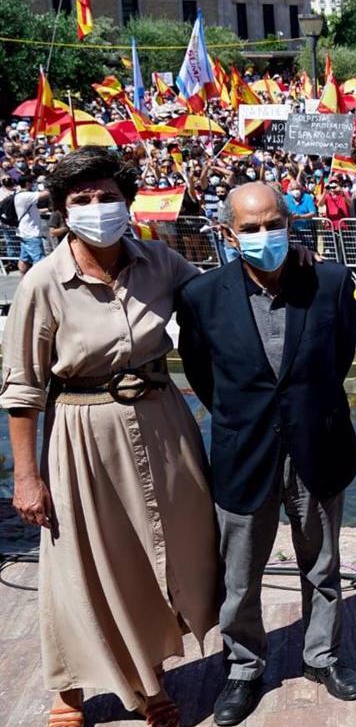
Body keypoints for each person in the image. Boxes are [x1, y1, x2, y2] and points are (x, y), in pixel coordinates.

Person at [2, 148, 218, 727]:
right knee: (79, 563)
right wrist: (27, 477)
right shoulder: (44, 283)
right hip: (81, 432)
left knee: (161, 554)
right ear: (62, 210)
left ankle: (152, 682)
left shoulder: (161, 263)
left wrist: (285, 265)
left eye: (107, 197)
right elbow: (22, 390)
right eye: (81, 200)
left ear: (127, 202)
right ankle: (68, 691)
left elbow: (215, 304)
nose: (97, 208)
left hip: (162, 421)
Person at [175, 182, 356, 725]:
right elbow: (201, 373)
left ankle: (321, 657)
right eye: (250, 228)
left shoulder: (328, 282)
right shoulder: (202, 296)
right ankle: (243, 667)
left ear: (290, 221)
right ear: (228, 233)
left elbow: (340, 356)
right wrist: (243, 418)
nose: (264, 236)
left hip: (317, 444)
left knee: (323, 566)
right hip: (245, 451)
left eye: (272, 223)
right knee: (240, 574)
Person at [10, 181, 45, 273]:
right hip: (31, 233)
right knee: (40, 261)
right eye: (32, 183)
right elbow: (46, 194)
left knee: (24, 259)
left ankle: (23, 282)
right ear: (27, 184)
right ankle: (40, 283)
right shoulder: (25, 195)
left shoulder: (17, 194)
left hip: (24, 232)